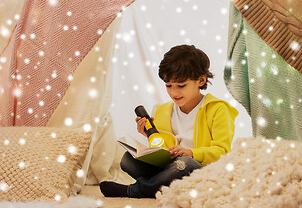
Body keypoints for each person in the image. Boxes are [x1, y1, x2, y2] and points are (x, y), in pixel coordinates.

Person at [100, 44, 239, 198]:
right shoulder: (162, 111)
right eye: (168, 85)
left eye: (181, 85)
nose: (174, 92)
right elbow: (164, 150)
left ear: (200, 80)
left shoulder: (218, 109)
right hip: (171, 168)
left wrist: (191, 153)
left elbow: (222, 152)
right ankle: (162, 186)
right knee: (127, 160)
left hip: (199, 170)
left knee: (184, 163)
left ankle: (135, 190)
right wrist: (149, 135)